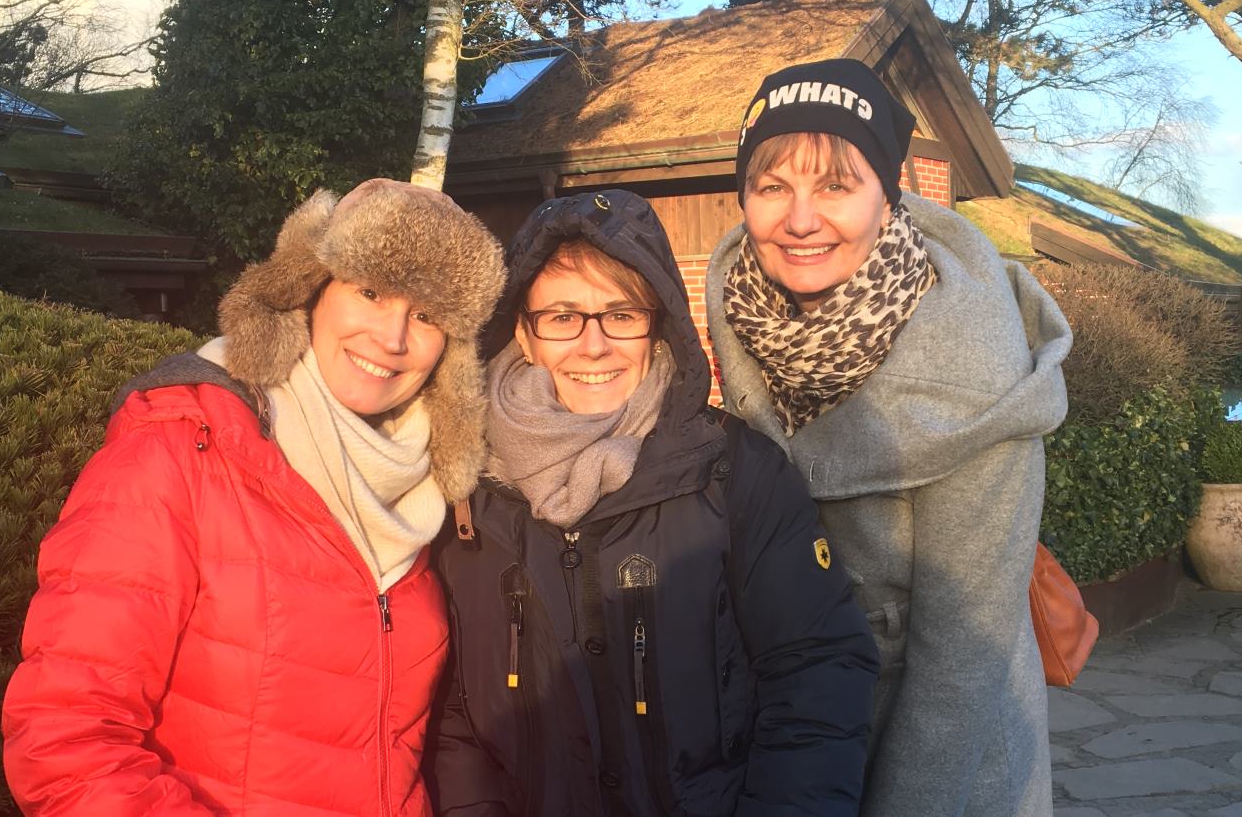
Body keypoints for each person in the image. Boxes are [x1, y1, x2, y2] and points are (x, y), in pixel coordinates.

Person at [2, 180, 504, 815]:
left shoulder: (426, 496)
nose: (394, 337)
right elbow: (65, 738)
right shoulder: (181, 450)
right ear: (310, 291)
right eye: (371, 292)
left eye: (428, 314)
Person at [426, 189, 880, 817]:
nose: (593, 345)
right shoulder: (463, 486)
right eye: (562, 317)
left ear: (658, 324)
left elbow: (816, 674)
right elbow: (453, 712)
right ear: (524, 335)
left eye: (622, 314)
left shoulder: (735, 471)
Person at [705, 59, 1072, 816]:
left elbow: (964, 656)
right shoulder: (744, 302)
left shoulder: (970, 363)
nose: (799, 218)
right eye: (771, 186)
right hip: (793, 737)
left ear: (886, 193)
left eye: (836, 185)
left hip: (938, 754)